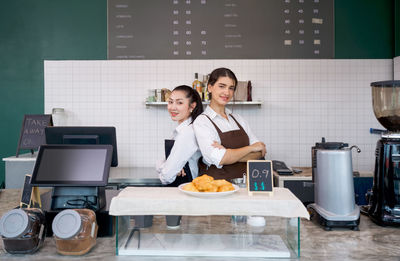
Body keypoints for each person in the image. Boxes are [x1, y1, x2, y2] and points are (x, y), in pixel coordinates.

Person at [193, 68, 266, 180]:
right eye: (222, 86)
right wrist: (251, 148)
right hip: (218, 189)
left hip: (245, 187)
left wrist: (228, 153)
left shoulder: (238, 119)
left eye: (231, 88)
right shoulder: (202, 122)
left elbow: (261, 151)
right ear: (210, 87)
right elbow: (220, 159)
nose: (227, 92)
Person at [157, 85, 203, 186]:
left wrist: (168, 169)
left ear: (192, 106)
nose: (173, 107)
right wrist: (171, 168)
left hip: (186, 190)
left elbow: (167, 177)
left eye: (179, 103)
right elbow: (159, 164)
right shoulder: (180, 131)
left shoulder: (188, 132)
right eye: (170, 102)